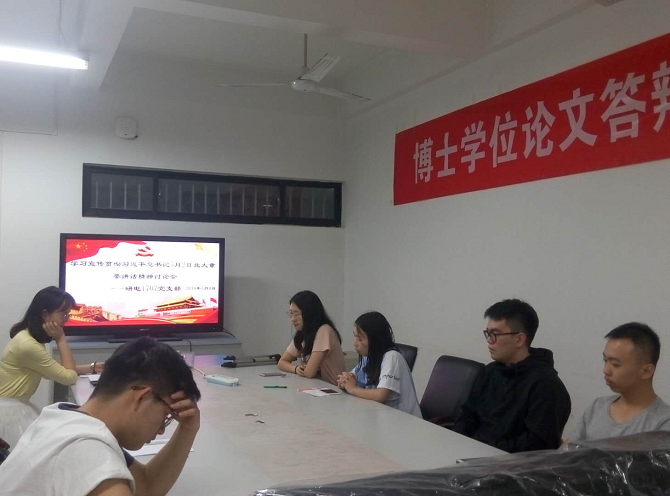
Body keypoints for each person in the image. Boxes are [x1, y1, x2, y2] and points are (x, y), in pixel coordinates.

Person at [0, 336, 201, 496]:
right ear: (141, 397)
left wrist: (188, 429)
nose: (162, 429)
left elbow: (146, 487)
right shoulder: (88, 453)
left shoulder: (64, 416)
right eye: (166, 415)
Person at [451, 299, 571, 452]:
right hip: (470, 452)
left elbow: (537, 444)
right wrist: (454, 442)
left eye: (495, 334)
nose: (489, 340)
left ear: (519, 339)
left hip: (506, 462)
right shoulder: (489, 371)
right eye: (488, 333)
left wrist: (483, 448)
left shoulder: (546, 385)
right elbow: (468, 416)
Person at [0, 286, 104, 448]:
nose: (66, 320)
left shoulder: (28, 337)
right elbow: (69, 378)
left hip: (14, 406)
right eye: (63, 314)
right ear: (45, 314)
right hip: (9, 413)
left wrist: (93, 367)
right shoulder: (28, 345)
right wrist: (61, 338)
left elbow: (54, 371)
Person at [566, 322, 670, 444]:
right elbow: (567, 452)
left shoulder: (663, 423)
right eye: (605, 360)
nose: (606, 370)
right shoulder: (597, 407)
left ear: (646, 371)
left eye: (616, 364)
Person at [337, 311, 421, 417]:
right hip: (379, 415)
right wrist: (344, 383)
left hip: (404, 420)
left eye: (360, 339)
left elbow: (381, 395)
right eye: (354, 337)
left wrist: (352, 389)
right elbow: (350, 380)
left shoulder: (392, 357)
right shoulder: (368, 357)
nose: (354, 343)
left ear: (375, 339)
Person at [277, 290, 345, 385]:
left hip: (333, 389)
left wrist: (306, 369)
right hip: (316, 387)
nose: (293, 319)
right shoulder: (303, 333)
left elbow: (309, 373)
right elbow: (282, 362)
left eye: (297, 314)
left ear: (310, 314)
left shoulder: (324, 330)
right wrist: (296, 368)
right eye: (291, 314)